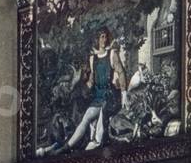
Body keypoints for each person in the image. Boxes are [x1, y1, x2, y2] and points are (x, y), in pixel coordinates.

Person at [37, 26, 126, 155]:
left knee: (103, 111)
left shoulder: (112, 54)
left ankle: (96, 142)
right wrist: (80, 90)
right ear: (97, 39)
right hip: (98, 96)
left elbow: (121, 72)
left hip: (110, 95)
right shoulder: (92, 58)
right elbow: (91, 81)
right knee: (86, 118)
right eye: (102, 37)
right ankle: (66, 147)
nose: (104, 40)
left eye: (106, 37)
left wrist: (124, 93)